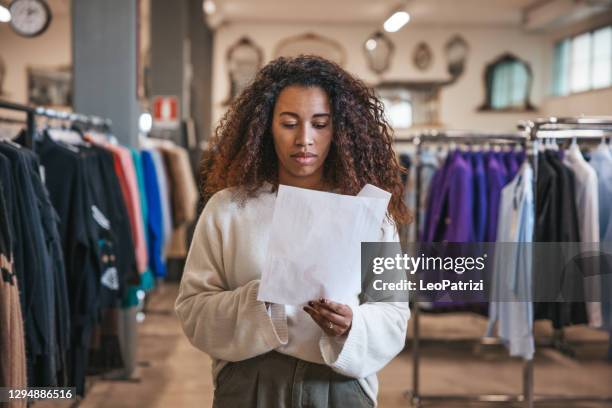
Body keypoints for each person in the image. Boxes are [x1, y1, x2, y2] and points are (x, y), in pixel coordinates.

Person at [175, 55, 410, 407]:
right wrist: (259, 299)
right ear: (265, 126)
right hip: (250, 385)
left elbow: (393, 314)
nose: (304, 139)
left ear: (339, 129)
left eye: (320, 124)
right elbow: (193, 309)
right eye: (289, 123)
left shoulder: (369, 215)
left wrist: (352, 325)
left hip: (340, 387)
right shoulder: (228, 209)